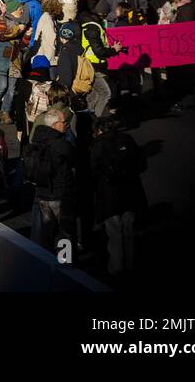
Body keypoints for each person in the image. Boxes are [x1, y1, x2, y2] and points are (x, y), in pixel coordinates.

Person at [89, 117, 147, 279]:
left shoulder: (98, 145)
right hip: (131, 192)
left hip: (109, 195)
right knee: (129, 231)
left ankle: (116, 269)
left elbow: (92, 171)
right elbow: (142, 164)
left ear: (99, 130)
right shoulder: (127, 139)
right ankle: (130, 265)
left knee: (114, 233)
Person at [26, 108, 76, 253]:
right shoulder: (61, 145)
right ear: (55, 125)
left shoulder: (36, 141)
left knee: (46, 233)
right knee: (65, 233)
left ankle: (47, 263)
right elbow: (76, 158)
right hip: (60, 194)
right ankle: (64, 263)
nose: (65, 124)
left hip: (42, 194)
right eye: (63, 122)